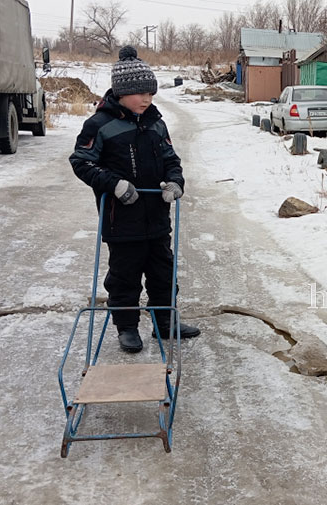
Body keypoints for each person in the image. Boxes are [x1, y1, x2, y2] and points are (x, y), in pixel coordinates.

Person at [70, 46, 200, 353]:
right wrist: (113, 184)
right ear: (121, 92)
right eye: (140, 93)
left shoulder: (156, 123)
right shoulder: (99, 125)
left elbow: (171, 159)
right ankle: (127, 328)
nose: (146, 100)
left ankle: (164, 322)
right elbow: (81, 162)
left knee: (162, 272)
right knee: (124, 276)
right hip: (121, 220)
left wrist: (175, 183)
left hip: (156, 216)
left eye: (151, 94)